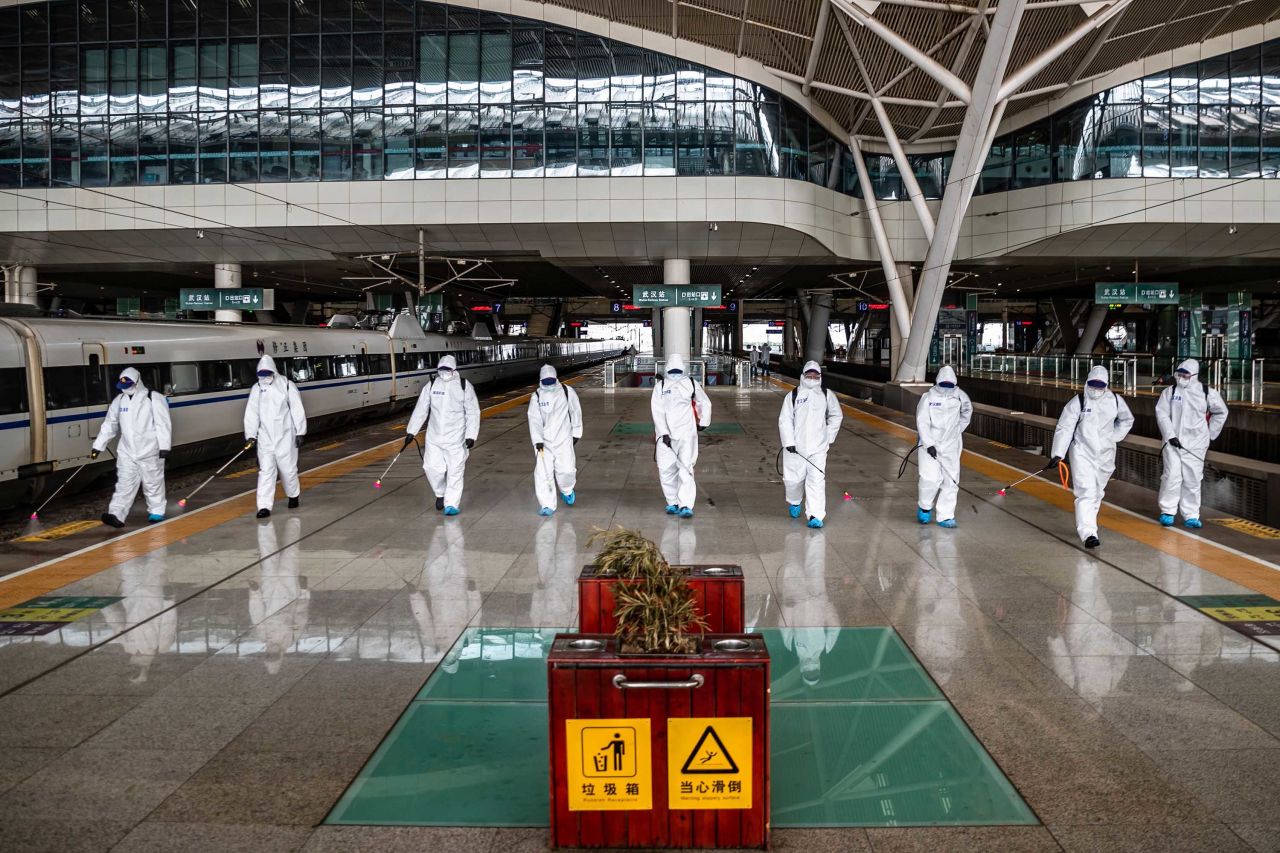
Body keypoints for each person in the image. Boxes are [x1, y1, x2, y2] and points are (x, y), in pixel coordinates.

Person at [1050, 365, 1134, 549]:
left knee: (1097, 493)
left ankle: (1090, 526)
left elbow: (1127, 420)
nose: (1096, 389)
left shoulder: (1115, 401)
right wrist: (1058, 453)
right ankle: (1088, 533)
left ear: (1106, 385)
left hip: (1106, 455)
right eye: (1093, 384)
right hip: (1082, 453)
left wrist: (1115, 437)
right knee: (1086, 492)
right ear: (1087, 382)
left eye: (1100, 385)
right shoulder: (1078, 401)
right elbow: (1065, 427)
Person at [92, 366, 172, 527]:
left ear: (137, 382)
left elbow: (163, 423)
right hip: (127, 451)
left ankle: (156, 511)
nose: (126, 389)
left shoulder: (153, 398)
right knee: (124, 484)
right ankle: (116, 514)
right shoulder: (119, 401)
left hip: (150, 450)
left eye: (128, 385)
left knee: (153, 482)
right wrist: (98, 446)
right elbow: (110, 424)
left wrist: (164, 446)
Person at [1155, 358, 1227, 529]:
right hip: (1172, 443)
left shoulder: (1207, 393)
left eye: (1185, 375)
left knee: (1193, 479)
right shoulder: (1170, 392)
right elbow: (1162, 414)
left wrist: (1209, 435)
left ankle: (1191, 514)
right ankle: (1167, 510)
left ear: (1194, 375)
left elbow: (1221, 412)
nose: (1181, 377)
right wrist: (1170, 434)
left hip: (1196, 444)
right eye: (1179, 374)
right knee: (1171, 475)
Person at [406, 354, 480, 516]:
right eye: (441, 369)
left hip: (456, 438)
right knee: (431, 468)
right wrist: (412, 431)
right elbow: (421, 409)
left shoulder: (463, 386)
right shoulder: (432, 385)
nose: (444, 372)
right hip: (434, 437)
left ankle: (451, 504)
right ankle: (440, 493)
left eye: (447, 369)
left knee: (455, 471)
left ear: (454, 369)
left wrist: (471, 435)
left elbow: (473, 412)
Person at [778, 360, 842, 528]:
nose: (812, 378)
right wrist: (789, 442)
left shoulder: (827, 395)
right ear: (803, 376)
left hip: (818, 449)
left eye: (816, 375)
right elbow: (785, 420)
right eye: (809, 375)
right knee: (793, 480)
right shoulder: (793, 395)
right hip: (795, 449)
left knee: (816, 481)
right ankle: (794, 501)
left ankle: (815, 515)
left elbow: (836, 416)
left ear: (820, 376)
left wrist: (828, 437)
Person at [244, 355, 307, 519]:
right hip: (265, 438)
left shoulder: (286, 385)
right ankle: (263, 506)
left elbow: (297, 409)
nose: (264, 376)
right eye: (261, 373)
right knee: (266, 472)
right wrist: (250, 435)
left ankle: (293, 495)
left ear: (273, 371)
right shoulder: (256, 389)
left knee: (288, 470)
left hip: (286, 436)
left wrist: (300, 431)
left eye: (267, 373)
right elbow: (251, 414)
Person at [651, 353, 711, 518]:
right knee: (666, 469)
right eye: (673, 370)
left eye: (678, 370)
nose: (675, 374)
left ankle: (685, 504)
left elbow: (704, 402)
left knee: (686, 468)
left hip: (686, 433)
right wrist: (664, 433)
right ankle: (672, 502)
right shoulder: (660, 387)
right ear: (668, 369)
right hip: (665, 436)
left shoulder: (691, 384)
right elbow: (657, 411)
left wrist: (704, 421)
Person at [914, 365, 972, 529]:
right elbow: (922, 421)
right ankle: (924, 507)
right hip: (929, 444)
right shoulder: (927, 398)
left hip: (952, 445)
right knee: (930, 478)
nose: (946, 388)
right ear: (938, 383)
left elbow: (967, 413)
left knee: (951, 480)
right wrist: (929, 443)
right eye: (943, 385)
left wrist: (958, 429)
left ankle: (945, 515)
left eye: (949, 385)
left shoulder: (961, 397)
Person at [527, 364, 583, 515]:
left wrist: (576, 432)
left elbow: (575, 411)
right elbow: (534, 420)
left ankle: (567, 489)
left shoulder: (566, 391)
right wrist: (537, 439)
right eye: (546, 381)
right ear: (541, 380)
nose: (549, 384)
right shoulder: (536, 396)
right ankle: (547, 504)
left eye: (551, 380)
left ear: (556, 378)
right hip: (544, 443)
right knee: (543, 473)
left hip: (564, 439)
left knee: (567, 470)